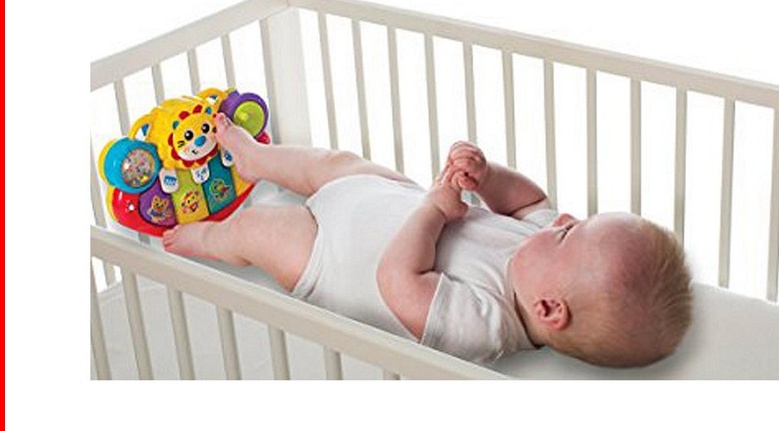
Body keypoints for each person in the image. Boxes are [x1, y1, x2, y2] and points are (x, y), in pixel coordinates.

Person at [163, 113, 693, 367]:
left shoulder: (484, 326)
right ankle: (255, 159)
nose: (562, 220)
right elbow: (528, 202)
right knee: (333, 163)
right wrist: (488, 177)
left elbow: (398, 281)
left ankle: (205, 237)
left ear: (549, 309)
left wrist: (436, 210)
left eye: (570, 234)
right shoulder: (542, 249)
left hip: (329, 254)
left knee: (258, 229)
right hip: (387, 197)